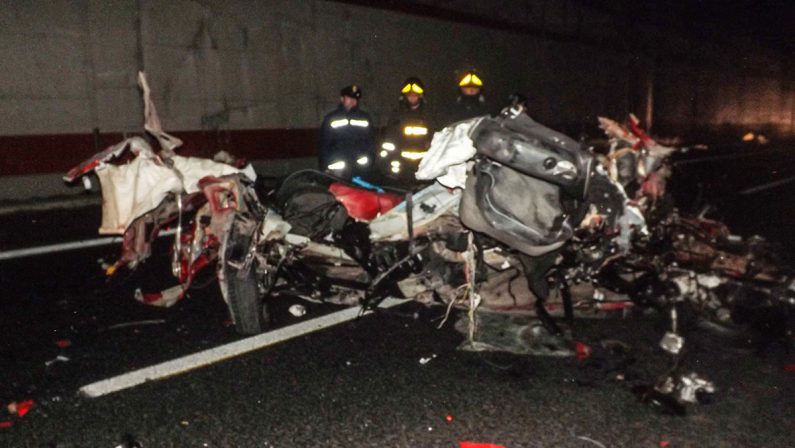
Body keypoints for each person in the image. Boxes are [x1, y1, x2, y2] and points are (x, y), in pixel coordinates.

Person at [378, 77, 434, 182]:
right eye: (409, 95)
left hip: (423, 166)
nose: (412, 98)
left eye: (415, 95)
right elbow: (390, 140)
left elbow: (436, 138)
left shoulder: (429, 115)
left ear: (420, 96)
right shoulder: (397, 115)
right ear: (404, 96)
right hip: (401, 167)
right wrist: (389, 163)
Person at [318, 84, 376, 178]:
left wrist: (370, 160)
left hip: (359, 168)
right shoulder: (331, 118)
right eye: (349, 97)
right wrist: (324, 165)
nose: (352, 101)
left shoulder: (365, 118)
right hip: (338, 168)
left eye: (355, 99)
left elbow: (370, 142)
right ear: (342, 99)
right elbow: (324, 143)